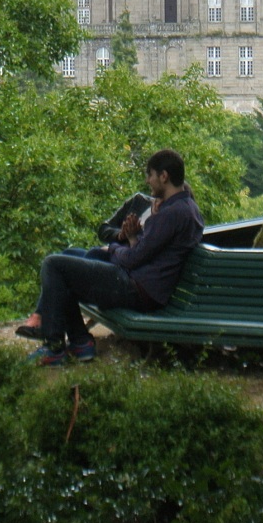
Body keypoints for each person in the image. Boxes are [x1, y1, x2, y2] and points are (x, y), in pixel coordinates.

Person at [25, 148, 203, 366]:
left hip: (136, 288)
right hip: (144, 284)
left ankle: (53, 348)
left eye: (151, 175)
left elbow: (132, 259)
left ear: (164, 176)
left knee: (54, 265)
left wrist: (112, 250)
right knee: (69, 259)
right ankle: (80, 343)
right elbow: (145, 251)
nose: (148, 181)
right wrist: (134, 237)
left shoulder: (172, 213)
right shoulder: (184, 209)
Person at [14, 191, 158, 339]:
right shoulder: (139, 201)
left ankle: (46, 326)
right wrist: (120, 235)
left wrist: (123, 242)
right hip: (108, 256)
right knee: (68, 254)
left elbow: (142, 250)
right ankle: (68, 333)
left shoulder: (162, 215)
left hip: (118, 264)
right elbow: (104, 229)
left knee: (60, 268)